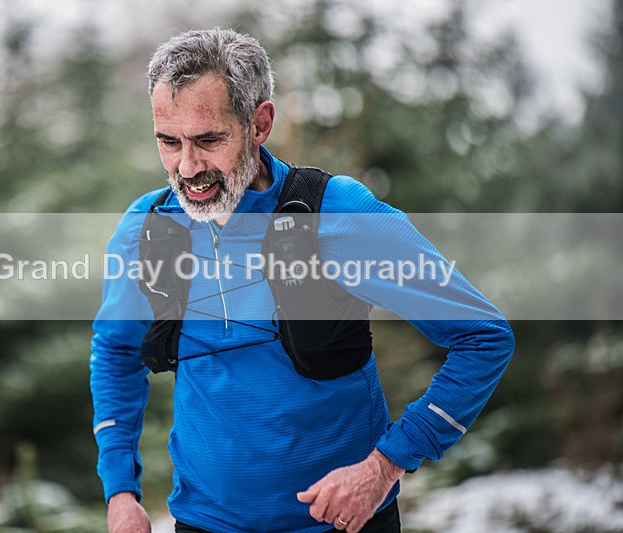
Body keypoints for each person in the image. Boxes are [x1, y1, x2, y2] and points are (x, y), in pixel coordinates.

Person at [90, 28, 515, 533]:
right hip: (201, 524)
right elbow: (115, 353)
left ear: (259, 124)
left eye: (208, 140)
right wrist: (120, 491)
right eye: (168, 141)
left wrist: (385, 466)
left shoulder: (337, 213)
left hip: (340, 526)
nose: (187, 167)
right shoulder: (147, 228)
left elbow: (483, 336)